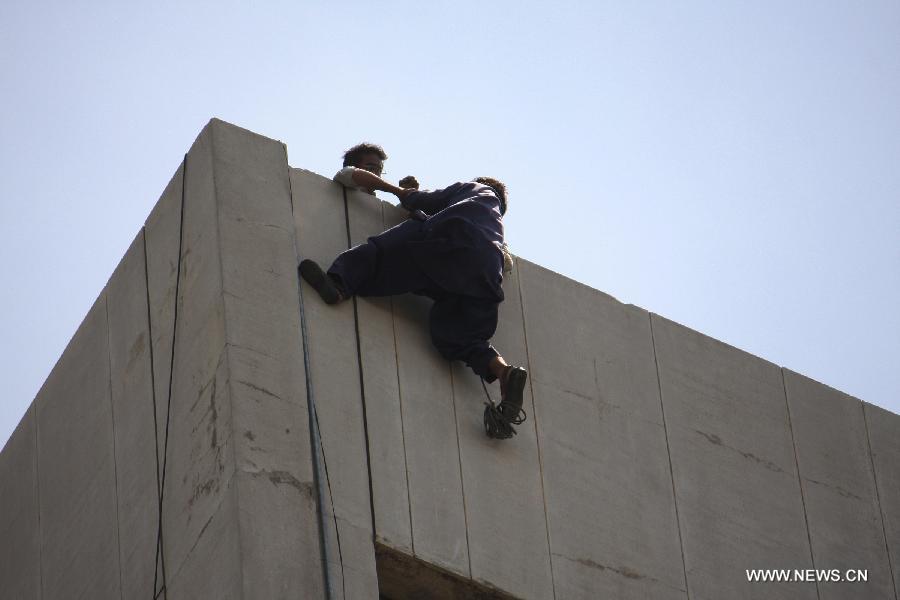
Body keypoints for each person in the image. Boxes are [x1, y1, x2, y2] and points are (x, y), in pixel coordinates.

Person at [299, 171, 527, 439]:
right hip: (487, 278)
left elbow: (428, 201)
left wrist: (406, 194)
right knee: (462, 337)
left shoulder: (476, 189)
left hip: (448, 242)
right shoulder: (497, 233)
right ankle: (503, 372)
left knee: (384, 251)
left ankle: (338, 284)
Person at [333, 142, 425, 219]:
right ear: (354, 166)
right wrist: (400, 191)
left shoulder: (374, 204)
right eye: (371, 168)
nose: (377, 175)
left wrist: (408, 200)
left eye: (379, 171)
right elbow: (353, 173)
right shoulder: (344, 175)